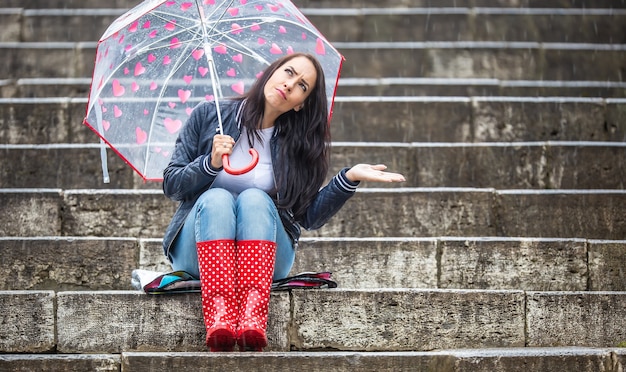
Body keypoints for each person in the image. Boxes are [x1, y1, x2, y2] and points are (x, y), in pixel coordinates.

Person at [162, 52, 405, 352]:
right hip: (199, 252)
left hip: (265, 259)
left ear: (301, 103)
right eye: (288, 72)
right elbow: (172, 185)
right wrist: (209, 164)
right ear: (271, 72)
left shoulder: (299, 144)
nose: (290, 84)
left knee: (254, 198)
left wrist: (349, 178)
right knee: (216, 198)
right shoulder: (209, 115)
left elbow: (309, 216)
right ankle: (220, 317)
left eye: (302, 86)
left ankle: (253, 315)